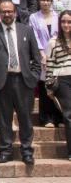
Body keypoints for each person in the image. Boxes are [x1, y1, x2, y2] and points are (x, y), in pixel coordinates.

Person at [0, 0, 42, 165]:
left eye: (9, 11)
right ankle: (5, 150)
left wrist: (33, 77)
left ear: (15, 12)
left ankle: (27, 151)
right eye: (3, 12)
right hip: (2, 82)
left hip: (24, 82)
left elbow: (36, 59)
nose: (7, 14)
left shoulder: (27, 31)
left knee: (25, 119)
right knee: (4, 119)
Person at [45, 10, 71, 160]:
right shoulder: (53, 42)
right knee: (69, 116)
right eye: (63, 22)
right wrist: (49, 86)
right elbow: (50, 65)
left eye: (69, 22)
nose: (66, 25)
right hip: (62, 79)